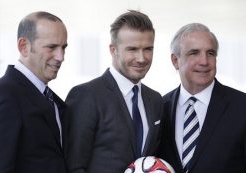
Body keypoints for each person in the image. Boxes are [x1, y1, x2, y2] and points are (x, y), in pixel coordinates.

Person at [64, 10, 164, 173]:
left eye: (148, 49)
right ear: (113, 50)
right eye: (132, 49)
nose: (141, 58)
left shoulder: (155, 100)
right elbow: (73, 166)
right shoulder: (86, 96)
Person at [157, 23, 246, 173]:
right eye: (194, 53)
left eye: (210, 53)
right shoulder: (159, 108)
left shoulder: (242, 107)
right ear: (175, 60)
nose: (204, 61)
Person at [0, 11, 68, 173]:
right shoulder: (5, 95)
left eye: (63, 47)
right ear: (24, 46)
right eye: (51, 47)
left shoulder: (54, 101)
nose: (61, 57)